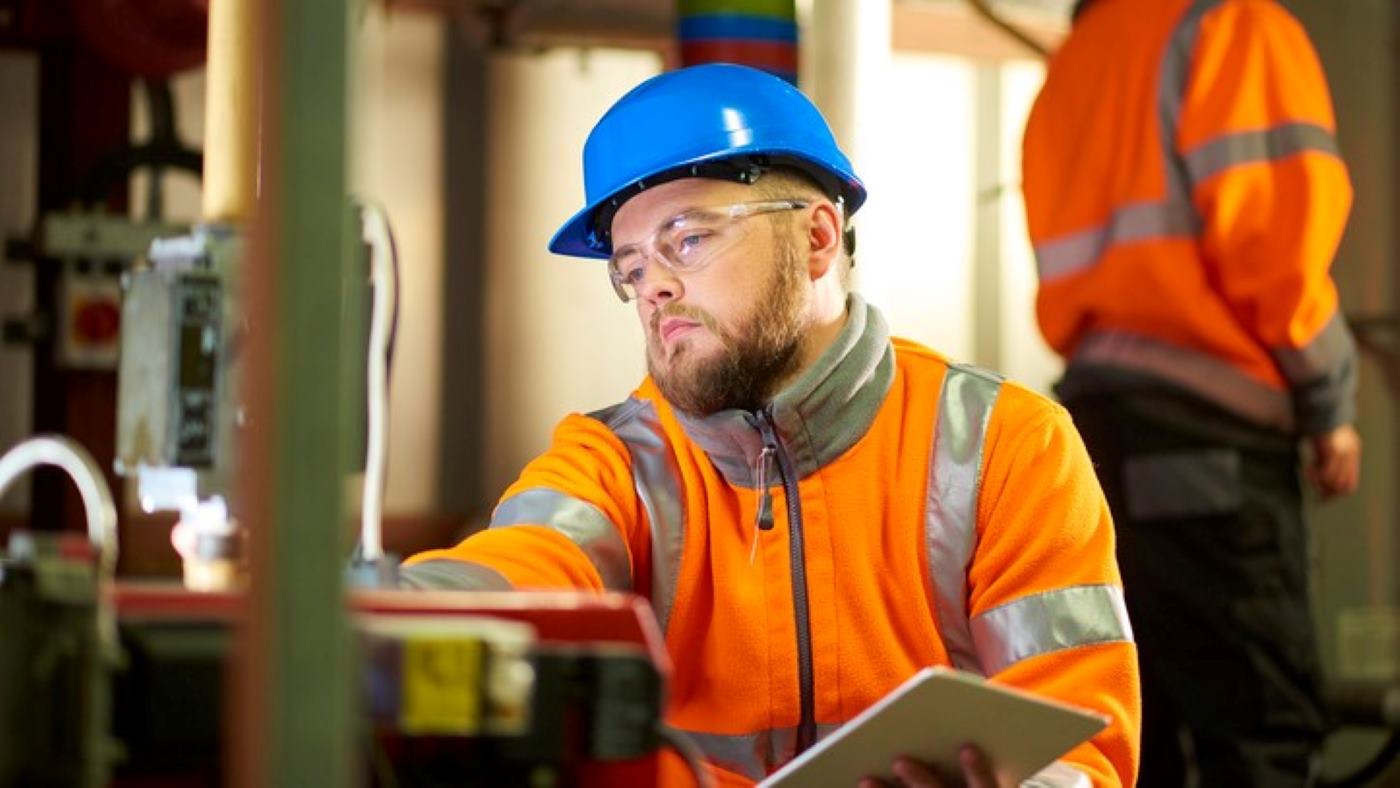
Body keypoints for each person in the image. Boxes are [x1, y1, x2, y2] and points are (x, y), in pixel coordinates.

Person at [405, 63, 1139, 787]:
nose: (653, 286)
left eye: (686, 239)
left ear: (819, 237)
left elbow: (1083, 749)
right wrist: (372, 611)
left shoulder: (1003, 444)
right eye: (630, 268)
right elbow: (514, 570)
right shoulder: (615, 464)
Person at [1022, 1, 1361, 785]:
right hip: (1212, 438)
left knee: (1140, 735)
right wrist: (1328, 398)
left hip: (1095, 439)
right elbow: (1277, 250)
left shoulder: (1073, 65)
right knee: (1256, 733)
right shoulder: (1232, 27)